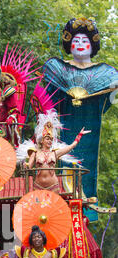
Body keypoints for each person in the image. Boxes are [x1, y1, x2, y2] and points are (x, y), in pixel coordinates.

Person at [42, 17, 118, 218]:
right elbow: (46, 99)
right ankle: (59, 204)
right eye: (76, 41)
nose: (81, 45)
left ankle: (84, 206)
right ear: (69, 44)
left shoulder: (103, 72)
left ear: (92, 45)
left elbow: (107, 103)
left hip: (89, 126)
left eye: (85, 41)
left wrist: (112, 93)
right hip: (64, 125)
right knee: (61, 163)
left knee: (85, 166)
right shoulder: (59, 69)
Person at [26, 110, 90, 193]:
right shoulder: (35, 152)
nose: (50, 141)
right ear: (42, 140)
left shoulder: (55, 153)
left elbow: (71, 146)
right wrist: (26, 165)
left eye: (51, 139)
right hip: (38, 186)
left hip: (53, 186)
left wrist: (79, 135)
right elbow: (29, 167)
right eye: (47, 139)